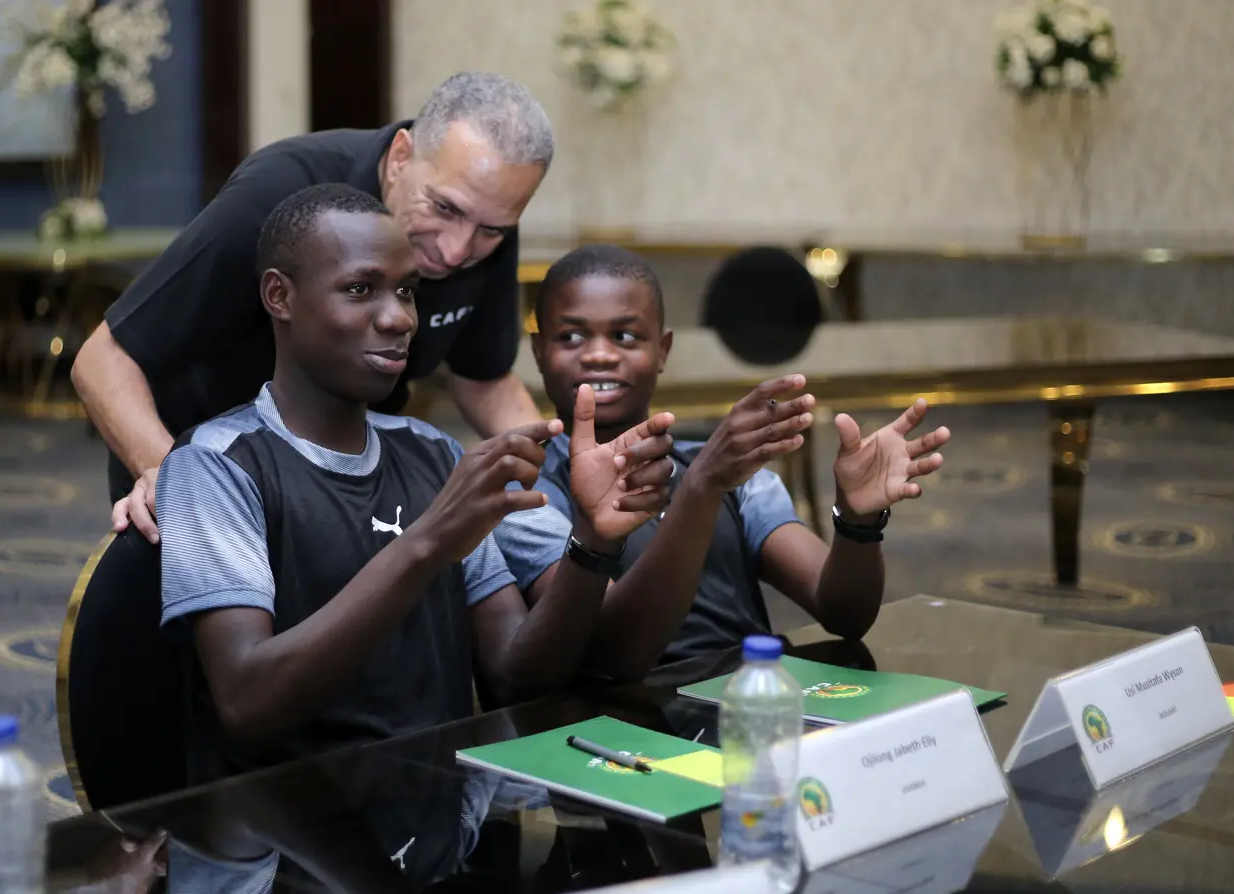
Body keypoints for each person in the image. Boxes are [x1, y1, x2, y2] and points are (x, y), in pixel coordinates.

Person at [156, 187, 677, 784]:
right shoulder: (216, 464)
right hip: (292, 839)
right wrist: (427, 541)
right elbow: (250, 705)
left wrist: (591, 541)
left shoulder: (430, 452)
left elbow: (514, 676)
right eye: (360, 289)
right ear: (280, 296)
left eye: (406, 290)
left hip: (437, 819)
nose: (399, 317)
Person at [75, 71, 556, 543]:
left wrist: (563, 477)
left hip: (348, 466)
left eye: (491, 230)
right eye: (444, 209)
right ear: (401, 158)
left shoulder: (484, 225)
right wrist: (177, 478)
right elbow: (103, 359)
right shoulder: (276, 197)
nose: (455, 251)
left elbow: (484, 381)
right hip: (204, 453)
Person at [498, 245, 952, 681]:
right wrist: (700, 489)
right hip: (625, 731)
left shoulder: (732, 474)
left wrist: (857, 521)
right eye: (572, 336)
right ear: (538, 351)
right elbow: (614, 656)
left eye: (625, 336)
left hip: (749, 705)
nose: (599, 354)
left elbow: (843, 612)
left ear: (663, 351)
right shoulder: (528, 494)